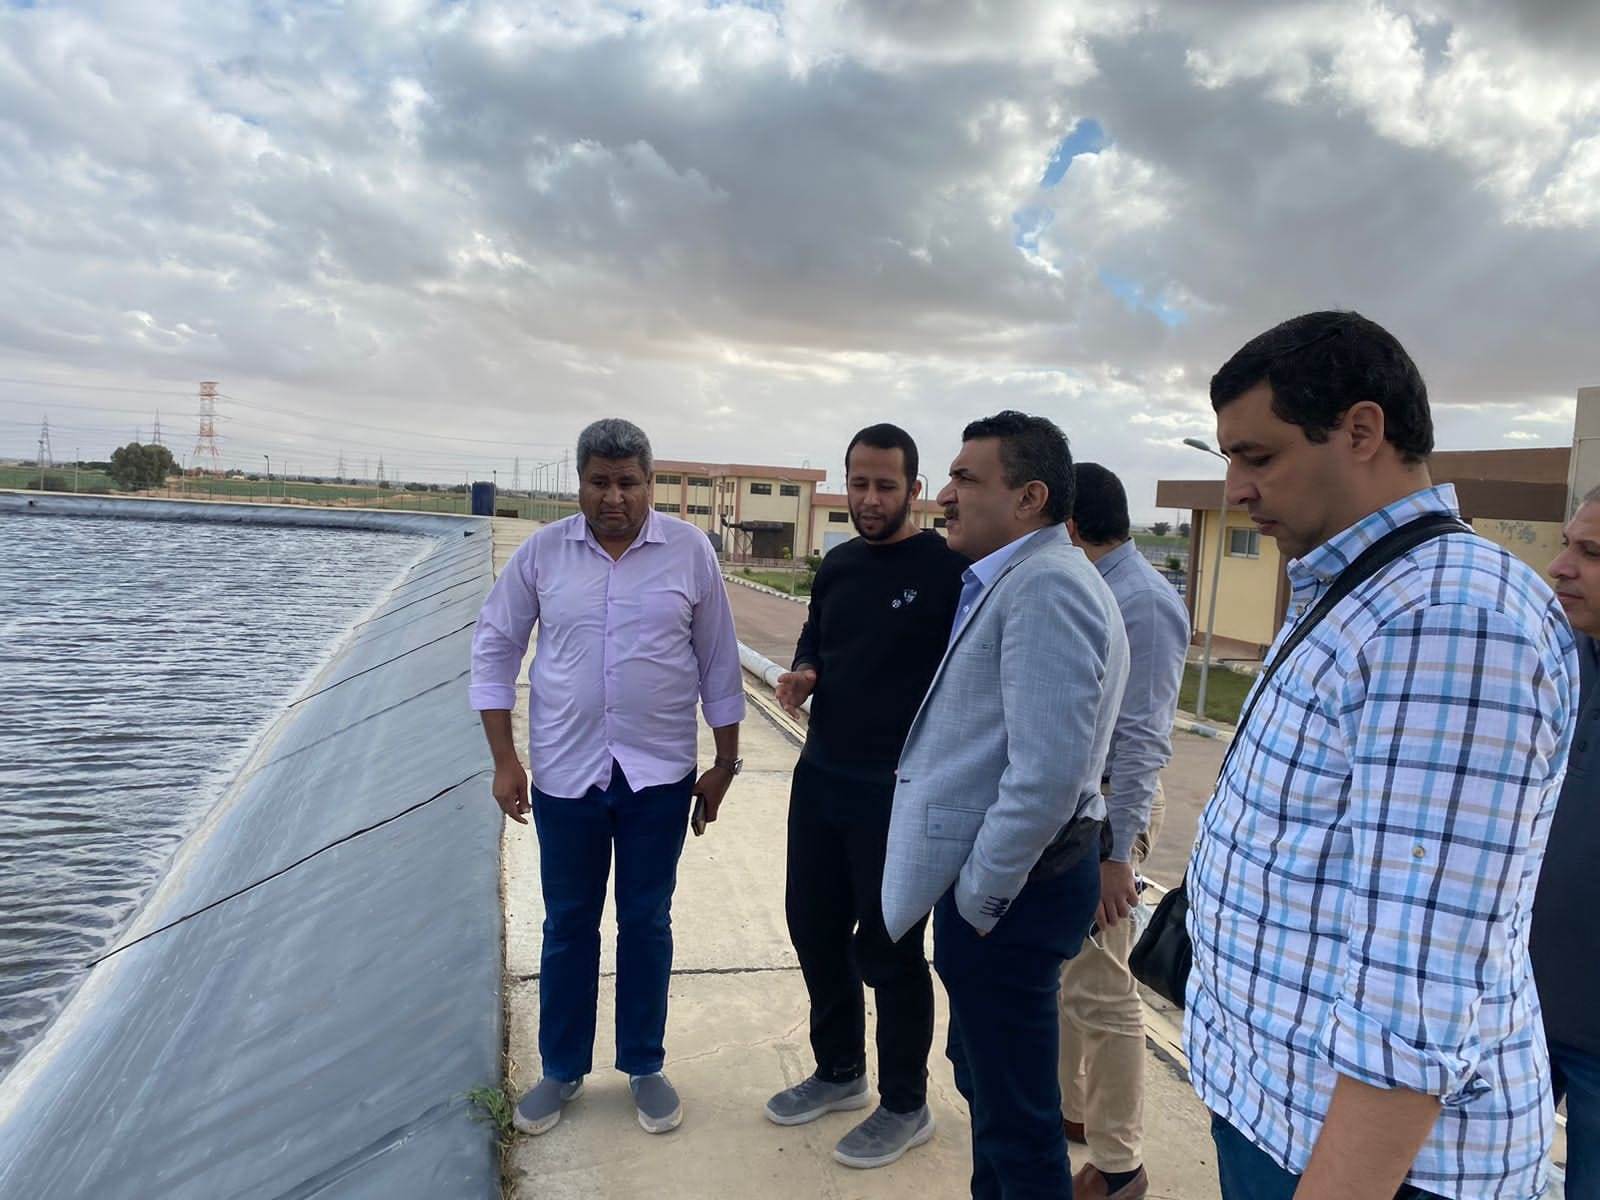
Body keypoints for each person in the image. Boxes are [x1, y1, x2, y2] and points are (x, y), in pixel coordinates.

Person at [1185, 312, 1577, 1200]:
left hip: (1372, 1163)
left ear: (1362, 430)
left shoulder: (1450, 619)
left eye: (1258, 456)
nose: (1236, 491)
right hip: (1281, 1112)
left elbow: (1418, 981)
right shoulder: (1370, 588)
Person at [469, 417, 746, 1139]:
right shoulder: (543, 554)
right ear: (580, 483)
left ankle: (644, 1064)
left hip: (659, 777)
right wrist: (505, 760)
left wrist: (725, 763)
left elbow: (718, 662)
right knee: (568, 924)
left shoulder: (689, 552)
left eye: (628, 482)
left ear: (651, 484)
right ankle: (561, 1069)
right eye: (599, 482)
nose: (613, 497)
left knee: (647, 921)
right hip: (566, 775)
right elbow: (495, 648)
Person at [881, 411, 1130, 1200]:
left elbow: (1047, 775)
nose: (945, 495)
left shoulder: (1047, 587)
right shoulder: (1021, 578)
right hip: (1012, 892)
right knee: (994, 1094)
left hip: (1012, 896)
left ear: (1029, 498)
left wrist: (979, 895)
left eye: (966, 478)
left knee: (1018, 1124)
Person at [763, 424, 967, 1168]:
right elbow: (817, 637)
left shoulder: (949, 570)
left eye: (886, 485)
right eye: (859, 483)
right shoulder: (840, 565)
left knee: (889, 948)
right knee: (814, 929)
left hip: (898, 794)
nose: (871, 499)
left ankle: (907, 1104)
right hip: (821, 776)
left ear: (914, 489)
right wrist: (805, 672)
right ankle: (840, 1069)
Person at [1058, 463, 1189, 1200]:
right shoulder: (1099, 585)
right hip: (1082, 806)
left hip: (1113, 812)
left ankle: (1118, 1167)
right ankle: (1076, 1111)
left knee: (1103, 987)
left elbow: (1142, 740)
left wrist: (1117, 855)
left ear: (1070, 526)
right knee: (1071, 978)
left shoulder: (1143, 603)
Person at [1538, 489, 1600, 1198]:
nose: (1560, 567)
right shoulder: (1549, 662)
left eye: (1592, 553)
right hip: (1512, 1021)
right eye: (1566, 544)